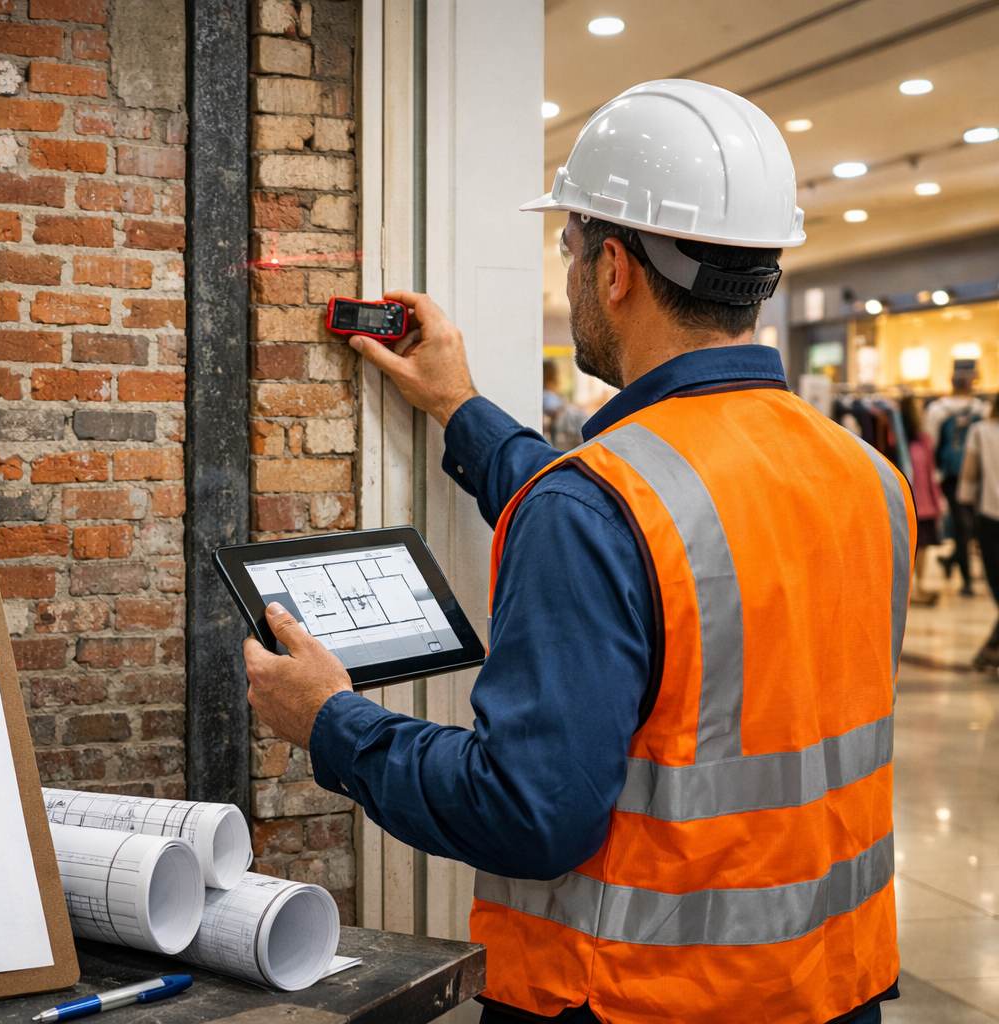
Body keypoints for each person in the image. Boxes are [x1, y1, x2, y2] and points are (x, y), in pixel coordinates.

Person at [244, 80, 909, 1024]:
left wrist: (330, 722)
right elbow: (655, 541)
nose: (569, 271)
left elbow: (528, 813)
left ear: (615, 270)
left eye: (570, 246)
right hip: (832, 983)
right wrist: (459, 407)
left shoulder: (595, 507)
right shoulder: (866, 474)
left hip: (637, 999)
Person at [926, 360, 986, 595]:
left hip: (957, 475)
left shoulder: (938, 410)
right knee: (965, 525)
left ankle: (952, 561)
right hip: (958, 476)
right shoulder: (979, 409)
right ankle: (967, 579)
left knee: (970, 526)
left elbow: (930, 444)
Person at [960, 398, 999, 668]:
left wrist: (964, 503)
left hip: (990, 513)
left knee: (995, 578)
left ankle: (991, 649)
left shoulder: (981, 431)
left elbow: (969, 473)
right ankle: (991, 648)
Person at [902, 395, 945, 606]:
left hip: (924, 503)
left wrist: (937, 503)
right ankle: (908, 589)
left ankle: (918, 586)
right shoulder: (896, 440)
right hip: (905, 502)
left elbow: (930, 474)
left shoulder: (923, 440)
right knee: (907, 547)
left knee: (923, 546)